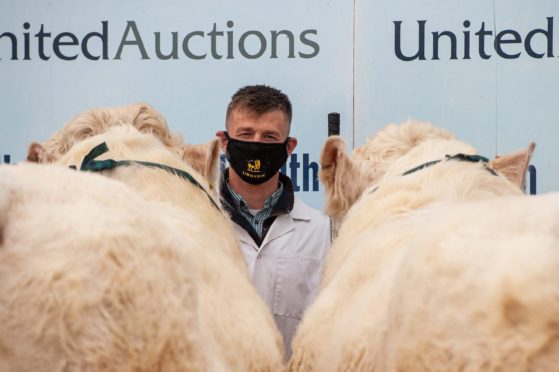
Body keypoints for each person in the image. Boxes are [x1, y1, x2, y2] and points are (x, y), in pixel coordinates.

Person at [216, 85, 331, 358]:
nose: (257, 144)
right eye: (245, 133)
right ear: (224, 141)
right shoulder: (194, 225)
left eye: (269, 136)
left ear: (289, 147)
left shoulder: (323, 231)